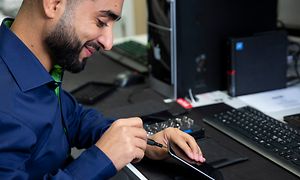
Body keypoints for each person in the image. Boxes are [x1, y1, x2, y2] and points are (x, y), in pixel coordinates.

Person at [0, 0, 205, 179]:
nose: (108, 43)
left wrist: (142, 140)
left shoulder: (31, 67)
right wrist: (101, 158)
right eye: (101, 22)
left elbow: (73, 118)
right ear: (53, 3)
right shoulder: (5, 103)